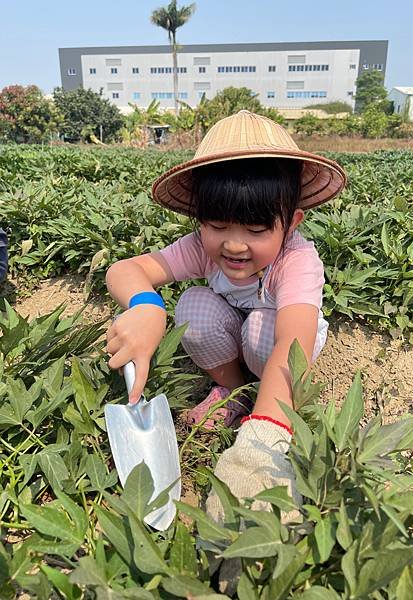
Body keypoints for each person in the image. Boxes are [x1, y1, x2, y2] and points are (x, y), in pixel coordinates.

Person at [105, 110, 346, 520]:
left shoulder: (298, 260)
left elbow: (294, 344)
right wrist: (147, 307)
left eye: (256, 231)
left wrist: (265, 440)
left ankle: (266, 407)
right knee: (191, 308)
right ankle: (235, 393)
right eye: (217, 225)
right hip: (238, 339)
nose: (234, 245)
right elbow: (125, 270)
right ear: (199, 220)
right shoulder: (199, 247)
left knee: (261, 330)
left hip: (279, 343)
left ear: (291, 224)